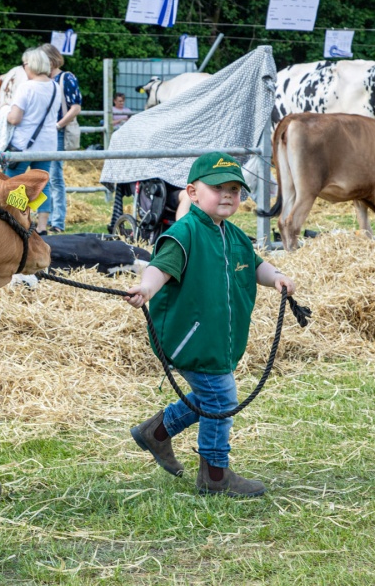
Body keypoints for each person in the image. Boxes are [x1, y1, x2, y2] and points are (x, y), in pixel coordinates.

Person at [124, 152, 296, 496]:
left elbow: (254, 263)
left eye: (235, 188)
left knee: (210, 396)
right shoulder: (185, 233)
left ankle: (157, 432)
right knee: (220, 398)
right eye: (219, 188)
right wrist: (146, 287)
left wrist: (276, 277)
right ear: (192, 192)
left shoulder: (232, 235)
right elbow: (161, 267)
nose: (229, 194)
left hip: (216, 340)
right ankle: (215, 474)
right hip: (190, 339)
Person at [5, 46, 63, 234]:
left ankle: (17, 219)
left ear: (32, 65)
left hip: (23, 145)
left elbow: (15, 118)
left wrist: (5, 114)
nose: (24, 68)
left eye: (25, 64)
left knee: (15, 183)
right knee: (42, 184)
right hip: (48, 144)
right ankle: (42, 226)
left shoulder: (27, 87)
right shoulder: (55, 86)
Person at [40, 44, 82, 233]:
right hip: (46, 132)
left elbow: (76, 107)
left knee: (55, 176)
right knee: (45, 176)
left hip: (57, 130)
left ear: (51, 60)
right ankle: (46, 218)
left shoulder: (66, 78)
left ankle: (58, 221)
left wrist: (58, 125)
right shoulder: (43, 80)